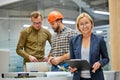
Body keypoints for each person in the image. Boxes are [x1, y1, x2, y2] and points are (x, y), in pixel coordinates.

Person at [69, 12, 109, 80]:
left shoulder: (99, 39)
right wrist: (72, 67)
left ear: (91, 24)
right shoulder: (73, 41)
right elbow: (72, 60)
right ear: (78, 27)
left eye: (86, 23)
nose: (84, 26)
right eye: (81, 24)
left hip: (95, 77)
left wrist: (99, 63)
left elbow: (106, 58)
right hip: (78, 78)